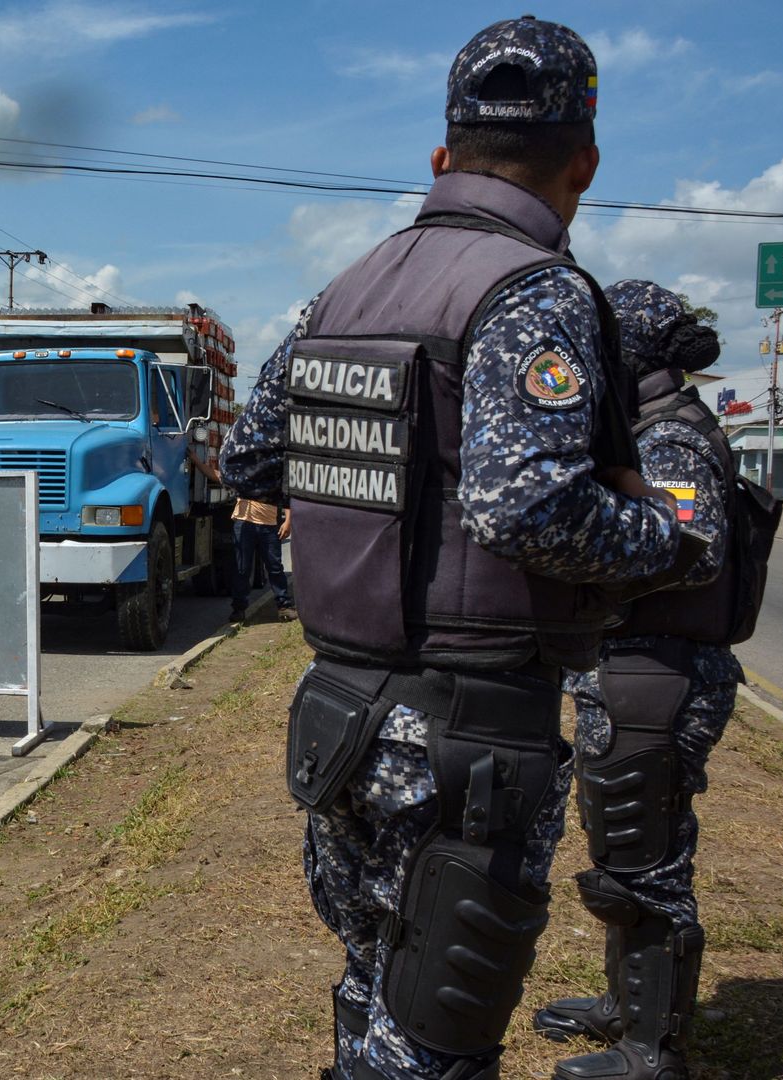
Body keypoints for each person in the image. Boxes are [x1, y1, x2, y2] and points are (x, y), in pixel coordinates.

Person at [219, 17, 695, 1080]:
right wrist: (665, 536)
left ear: (441, 156)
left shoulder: (342, 291)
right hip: (463, 733)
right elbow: (526, 510)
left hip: (340, 714)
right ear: (585, 162)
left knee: (372, 1002)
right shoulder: (533, 290)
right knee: (434, 1036)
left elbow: (249, 464)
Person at [532, 282, 740, 1080]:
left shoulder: (670, 438)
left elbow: (695, 551)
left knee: (646, 857)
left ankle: (654, 1051)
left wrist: (578, 547)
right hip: (632, 669)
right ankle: (625, 1007)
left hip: (659, 672)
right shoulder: (647, 428)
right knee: (622, 848)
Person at [228, 495, 292, 623]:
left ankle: (284, 606)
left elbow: (285, 497)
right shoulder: (243, 476)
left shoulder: (273, 476)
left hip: (269, 526)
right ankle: (239, 609)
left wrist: (288, 522)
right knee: (242, 568)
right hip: (244, 523)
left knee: (275, 567)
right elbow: (222, 477)